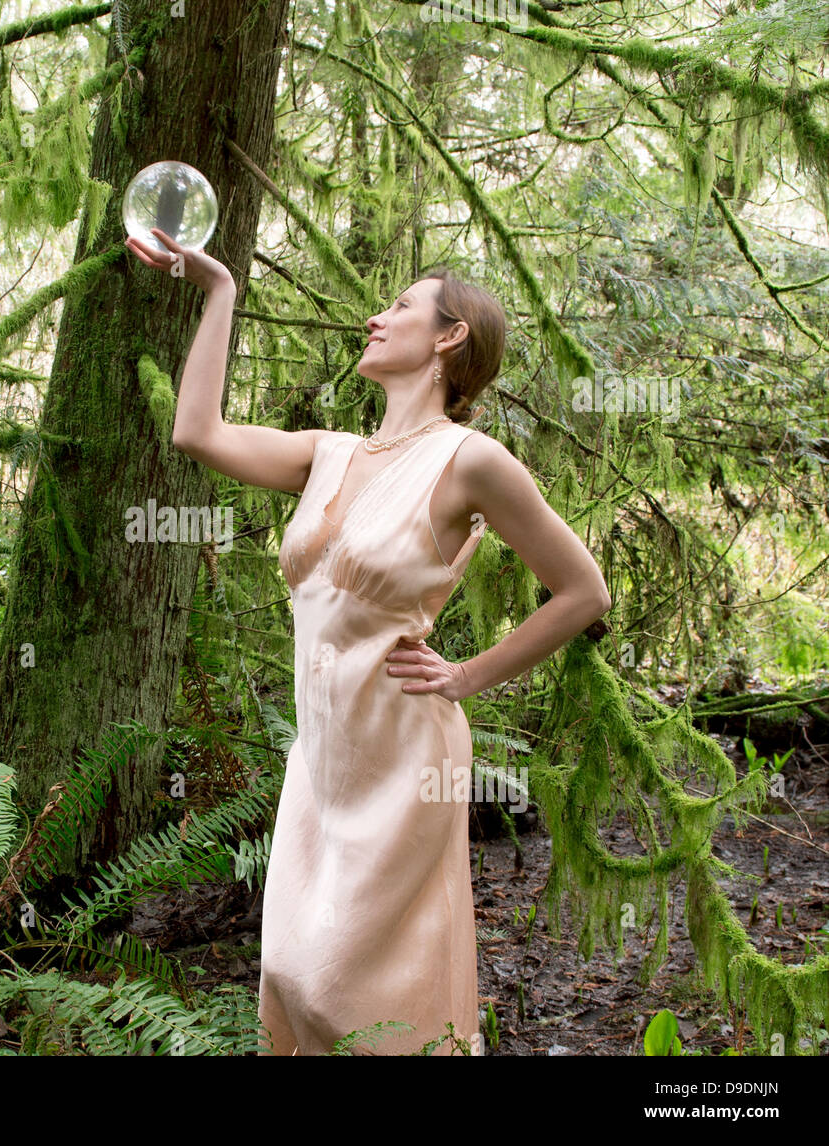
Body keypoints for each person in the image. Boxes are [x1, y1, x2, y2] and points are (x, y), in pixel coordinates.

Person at [127, 226, 611, 1055]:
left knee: (354, 990)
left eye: (400, 306)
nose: (375, 319)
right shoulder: (328, 452)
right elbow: (196, 432)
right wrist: (219, 295)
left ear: (449, 336)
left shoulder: (472, 461)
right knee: (289, 971)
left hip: (403, 753)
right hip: (321, 755)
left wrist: (466, 675)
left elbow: (584, 592)